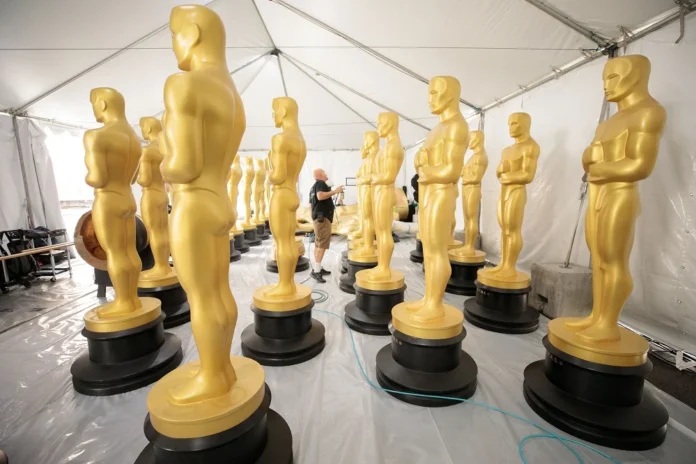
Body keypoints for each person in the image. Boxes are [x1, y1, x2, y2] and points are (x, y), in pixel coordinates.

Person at [309, 168, 343, 282]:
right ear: (319, 175)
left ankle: (317, 268)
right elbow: (320, 196)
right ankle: (316, 271)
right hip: (322, 219)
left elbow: (310, 205)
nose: (326, 173)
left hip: (318, 218)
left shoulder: (313, 187)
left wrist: (313, 218)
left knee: (318, 244)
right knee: (322, 245)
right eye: (324, 172)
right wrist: (336, 191)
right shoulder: (321, 183)